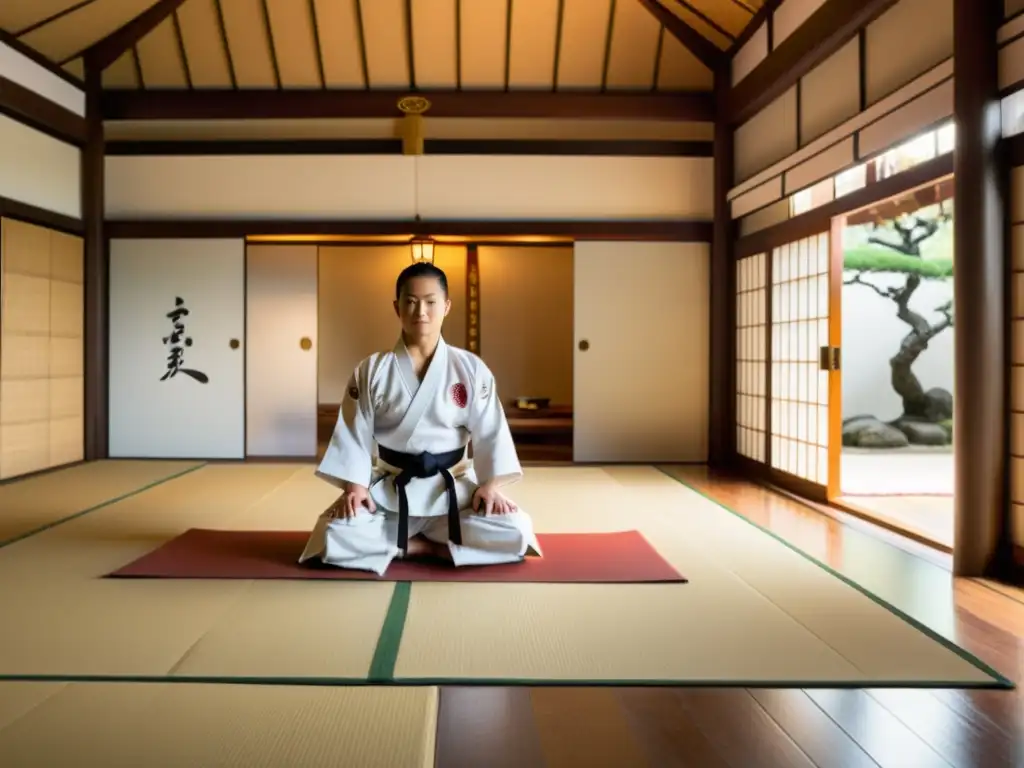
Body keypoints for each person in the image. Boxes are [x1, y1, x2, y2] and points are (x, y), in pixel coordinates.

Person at [299, 262, 542, 576]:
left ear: (446, 306)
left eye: (430, 302)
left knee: (516, 529)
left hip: (452, 490)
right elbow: (353, 434)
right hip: (390, 491)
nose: (421, 311)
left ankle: (404, 548)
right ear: (397, 306)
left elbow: (491, 431)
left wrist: (490, 486)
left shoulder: (470, 368)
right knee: (333, 534)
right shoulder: (371, 370)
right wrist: (355, 488)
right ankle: (426, 548)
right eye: (410, 301)